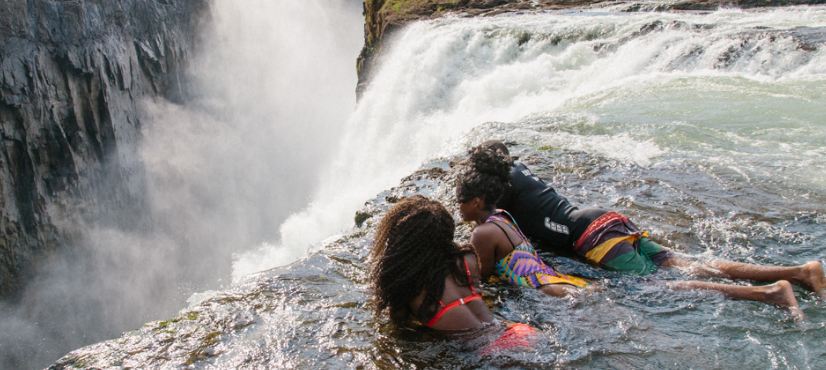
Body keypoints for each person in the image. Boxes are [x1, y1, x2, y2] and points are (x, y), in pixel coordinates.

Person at [455, 145, 805, 315]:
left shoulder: (499, 202)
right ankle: (799, 271)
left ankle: (771, 293)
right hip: (604, 219)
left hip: (592, 238)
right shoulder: (518, 172)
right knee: (679, 262)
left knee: (658, 285)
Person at [368, 195, 536, 352]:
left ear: (403, 242)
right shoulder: (466, 259)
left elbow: (399, 327)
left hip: (490, 353)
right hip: (519, 332)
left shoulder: (408, 285)